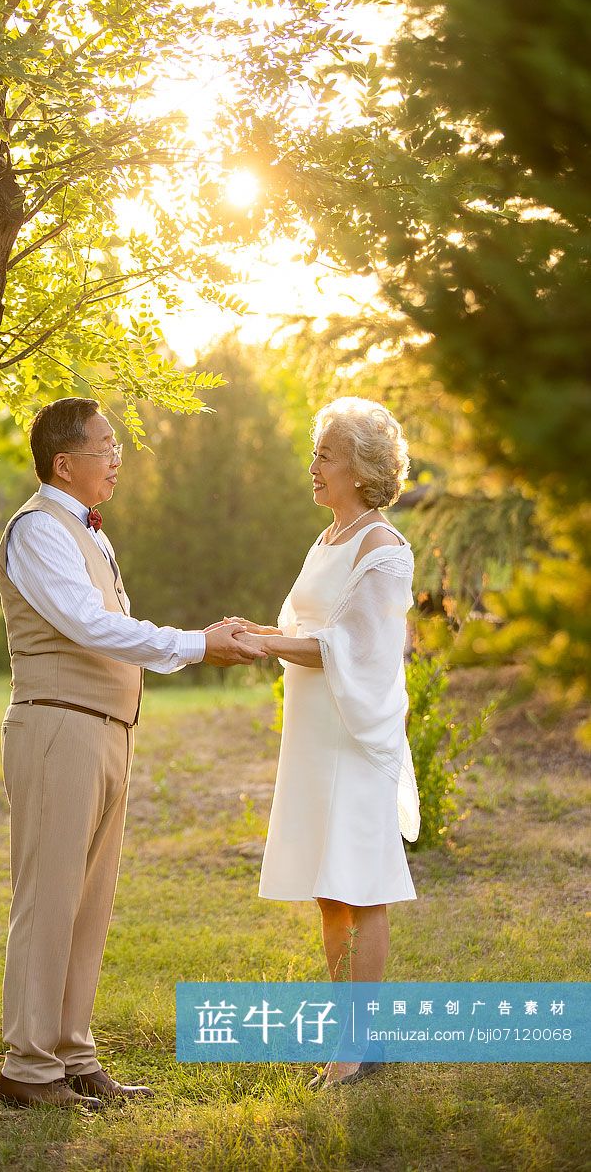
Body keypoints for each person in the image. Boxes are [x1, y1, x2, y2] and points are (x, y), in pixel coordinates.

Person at [0, 396, 264, 1110]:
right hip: (57, 727)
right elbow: (88, 626)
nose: (118, 456)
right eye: (105, 445)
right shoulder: (37, 530)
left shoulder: (90, 533)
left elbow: (109, 625)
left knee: (88, 903)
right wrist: (195, 644)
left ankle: (73, 1054)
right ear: (64, 461)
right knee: (48, 899)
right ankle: (27, 1065)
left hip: (105, 729)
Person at [233, 396, 421, 1088]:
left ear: (361, 468)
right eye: (315, 453)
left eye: (324, 455)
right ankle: (351, 1035)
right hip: (312, 735)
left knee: (360, 886)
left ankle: (357, 1046)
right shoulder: (327, 539)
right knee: (328, 891)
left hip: (354, 735)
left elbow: (350, 648)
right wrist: (255, 630)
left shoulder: (383, 546)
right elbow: (306, 627)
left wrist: (258, 643)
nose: (312, 466)